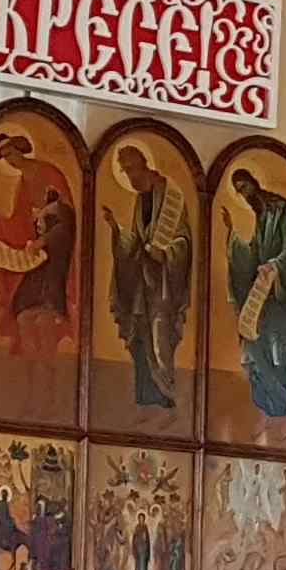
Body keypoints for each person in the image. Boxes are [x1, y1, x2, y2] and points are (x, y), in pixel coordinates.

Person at [107, 145, 194, 414]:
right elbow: (136, 240)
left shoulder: (171, 197)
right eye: (124, 171)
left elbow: (183, 240)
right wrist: (117, 231)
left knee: (160, 338)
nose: (129, 176)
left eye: (131, 169)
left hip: (164, 287)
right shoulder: (140, 199)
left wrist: (166, 252)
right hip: (141, 285)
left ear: (144, 164)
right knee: (140, 338)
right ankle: (146, 398)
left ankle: (166, 396)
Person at [0, 131, 79, 364]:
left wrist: (43, 241)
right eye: (5, 157)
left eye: (11, 153)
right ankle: (32, 365)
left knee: (43, 315)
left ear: (20, 148)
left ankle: (46, 367)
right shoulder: (22, 183)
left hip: (55, 254)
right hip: (36, 256)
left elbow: (67, 220)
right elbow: (19, 224)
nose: (10, 161)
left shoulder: (50, 173)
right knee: (22, 311)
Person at [224, 170, 286, 431]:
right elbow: (253, 257)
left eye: (244, 186)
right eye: (238, 190)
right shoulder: (261, 216)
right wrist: (232, 239)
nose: (243, 194)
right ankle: (268, 409)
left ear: (254, 182)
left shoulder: (281, 209)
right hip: (263, 295)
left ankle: (281, 411)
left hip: (282, 295)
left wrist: (274, 266)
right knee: (254, 343)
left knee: (278, 350)